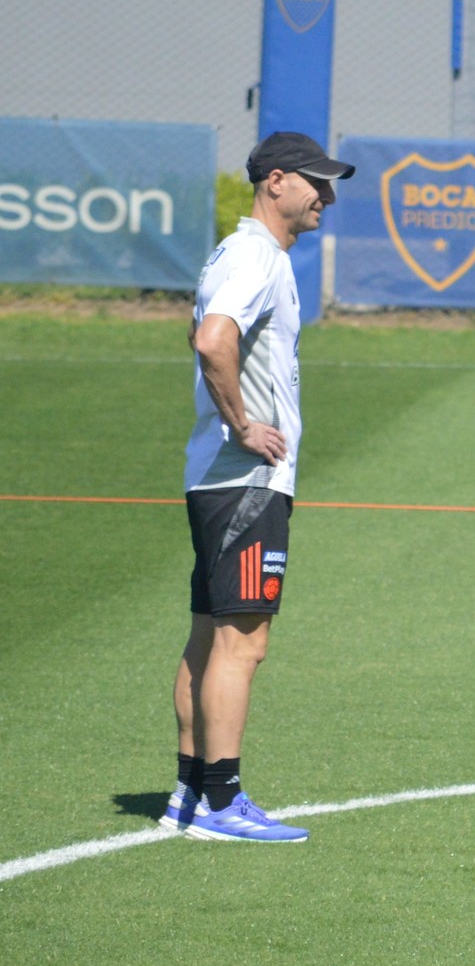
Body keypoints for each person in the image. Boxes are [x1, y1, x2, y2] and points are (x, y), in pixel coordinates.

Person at [162, 132, 353, 842]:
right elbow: (215, 339)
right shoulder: (256, 257)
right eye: (315, 184)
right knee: (244, 642)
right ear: (276, 181)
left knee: (209, 639)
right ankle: (222, 803)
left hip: (219, 480)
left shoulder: (242, 253)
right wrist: (243, 422)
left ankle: (187, 796)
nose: (326, 198)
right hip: (245, 481)